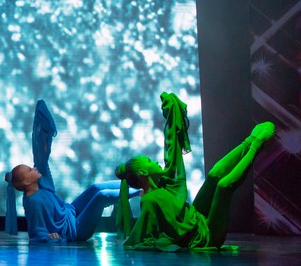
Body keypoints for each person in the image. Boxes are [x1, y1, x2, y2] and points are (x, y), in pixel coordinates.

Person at [113, 92, 276, 251]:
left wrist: (171, 114)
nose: (155, 161)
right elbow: (143, 234)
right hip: (204, 237)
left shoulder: (163, 184)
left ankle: (249, 141)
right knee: (223, 186)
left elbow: (171, 150)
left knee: (213, 175)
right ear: (143, 172)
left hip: (196, 220)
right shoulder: (148, 201)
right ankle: (257, 144)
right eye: (149, 161)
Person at [6, 100, 121, 242]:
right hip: (75, 230)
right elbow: (37, 231)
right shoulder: (33, 203)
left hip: (69, 213)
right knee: (101, 196)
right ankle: (140, 190)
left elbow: (41, 156)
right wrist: (48, 237)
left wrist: (42, 127)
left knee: (95, 187)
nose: (34, 168)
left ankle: (129, 181)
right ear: (27, 181)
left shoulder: (40, 183)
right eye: (30, 169)